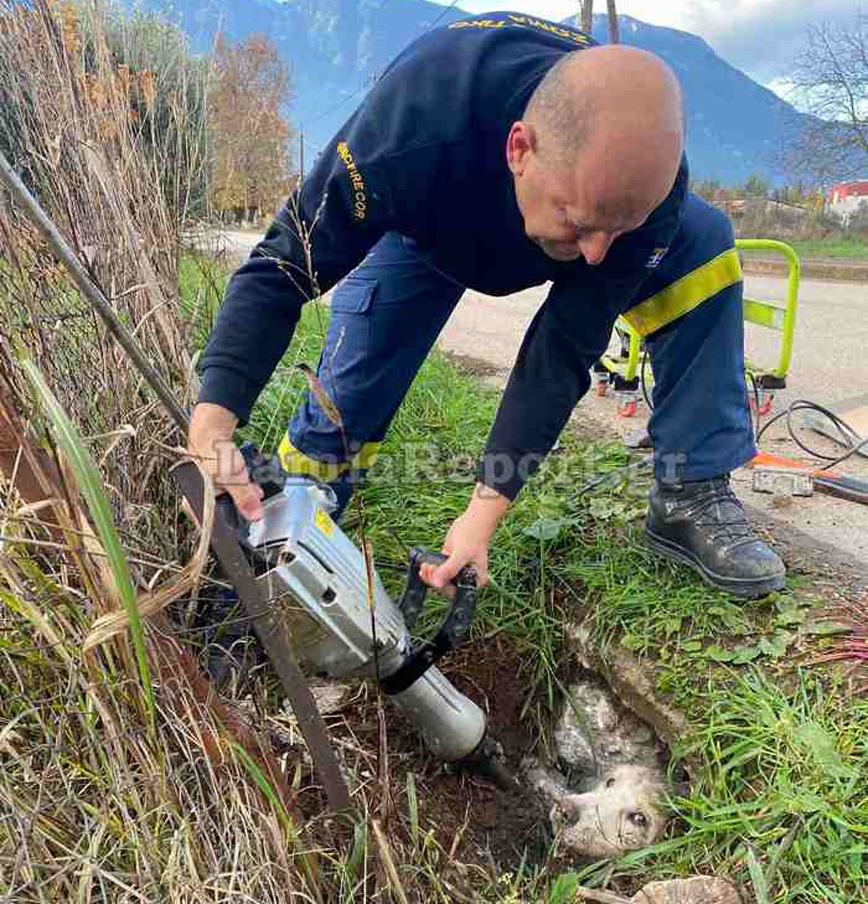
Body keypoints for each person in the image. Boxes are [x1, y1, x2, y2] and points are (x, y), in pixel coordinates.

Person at [188, 11, 786, 600]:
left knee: (705, 243)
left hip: (573, 197)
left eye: (618, 231)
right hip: (426, 233)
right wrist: (213, 422)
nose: (598, 255)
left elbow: (563, 349)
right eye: (579, 224)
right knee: (345, 405)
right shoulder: (408, 128)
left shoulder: (640, 194)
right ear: (519, 149)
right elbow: (282, 267)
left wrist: (482, 515)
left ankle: (692, 491)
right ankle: (279, 548)